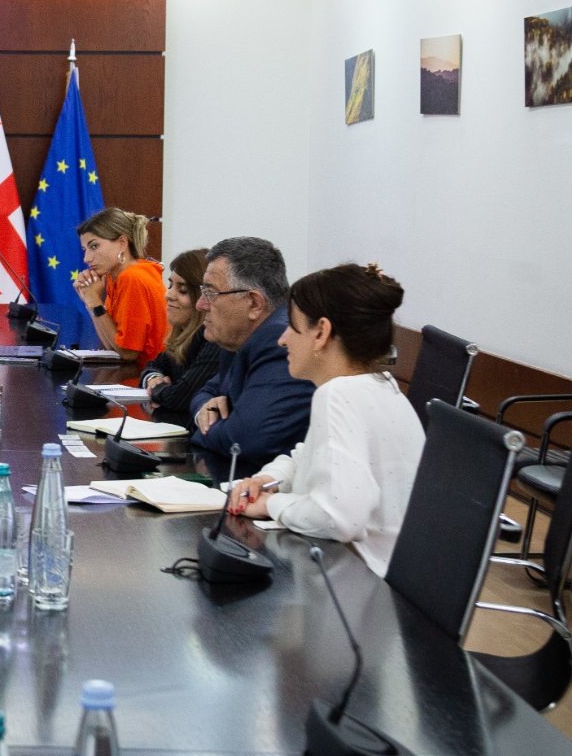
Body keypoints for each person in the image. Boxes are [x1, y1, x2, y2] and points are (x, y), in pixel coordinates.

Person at [232, 263, 426, 577]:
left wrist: (269, 505)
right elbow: (308, 454)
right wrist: (269, 480)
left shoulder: (338, 395)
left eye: (292, 326)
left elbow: (336, 515)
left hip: (364, 584)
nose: (282, 340)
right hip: (387, 575)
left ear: (321, 333)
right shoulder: (380, 387)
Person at [188, 236, 314, 475]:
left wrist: (205, 427)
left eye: (211, 292)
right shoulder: (240, 336)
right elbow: (205, 392)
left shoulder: (279, 342)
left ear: (255, 303)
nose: (200, 305)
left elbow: (244, 440)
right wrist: (204, 411)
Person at [71, 208, 167, 369]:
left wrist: (95, 302)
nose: (86, 258)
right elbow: (112, 344)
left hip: (149, 376)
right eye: (85, 250)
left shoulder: (133, 278)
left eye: (94, 246)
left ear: (122, 243)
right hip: (136, 372)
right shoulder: (114, 277)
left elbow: (128, 353)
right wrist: (90, 303)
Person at [139, 248, 223, 423]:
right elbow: (153, 365)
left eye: (183, 290)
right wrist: (153, 378)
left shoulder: (214, 340)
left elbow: (179, 398)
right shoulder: (183, 337)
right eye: (170, 285)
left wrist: (157, 388)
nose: (168, 295)